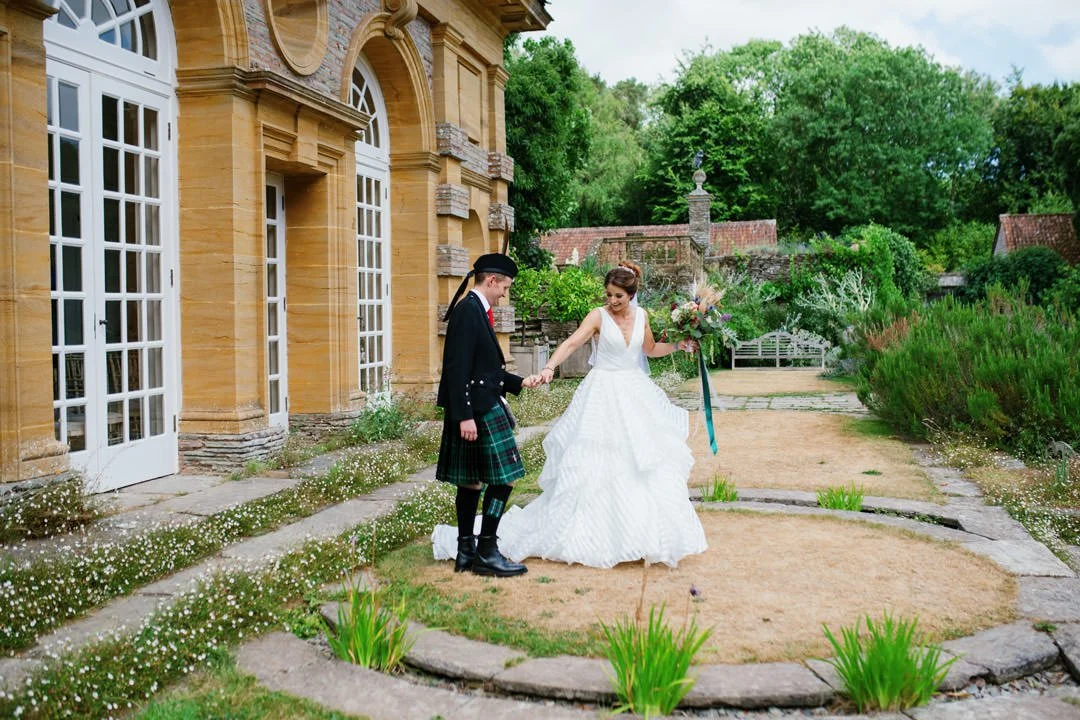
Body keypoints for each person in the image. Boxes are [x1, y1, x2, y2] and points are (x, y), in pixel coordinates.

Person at [433, 262, 708, 569]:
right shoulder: (597, 315)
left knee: (640, 463)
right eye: (609, 295)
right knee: (592, 464)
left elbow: (650, 349)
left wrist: (678, 345)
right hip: (602, 394)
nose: (613, 301)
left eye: (618, 296)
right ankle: (479, 547)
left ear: (632, 295)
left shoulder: (642, 316)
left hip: (635, 395)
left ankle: (638, 534)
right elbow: (571, 342)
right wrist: (549, 367)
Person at [436, 253, 542, 578]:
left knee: (471, 482)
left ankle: (466, 552)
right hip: (477, 409)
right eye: (505, 287)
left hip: (479, 404)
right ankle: (487, 549)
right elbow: (456, 368)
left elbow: (483, 368)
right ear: (492, 280)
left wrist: (519, 381)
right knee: (505, 477)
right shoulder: (469, 312)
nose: (504, 294)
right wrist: (464, 415)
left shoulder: (476, 310)